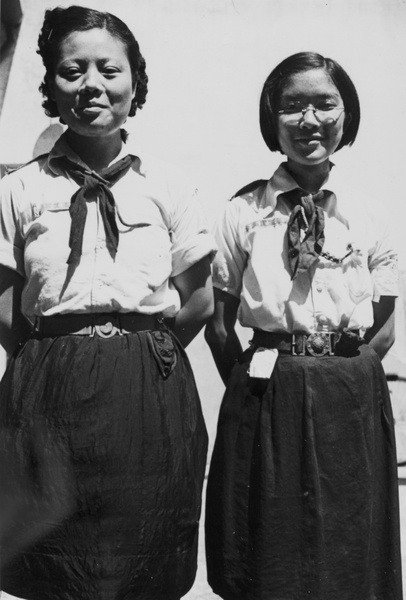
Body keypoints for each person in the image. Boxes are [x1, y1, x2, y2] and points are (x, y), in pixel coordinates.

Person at [0, 6, 215, 600]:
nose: (91, 84)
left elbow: (197, 302)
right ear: (51, 85)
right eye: (72, 70)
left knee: (140, 555)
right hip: (48, 385)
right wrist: (54, 360)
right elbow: (3, 305)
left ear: (134, 83)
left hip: (146, 384)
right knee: (53, 556)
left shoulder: (169, 185)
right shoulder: (17, 189)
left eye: (108, 69)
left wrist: (140, 354)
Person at [204, 52, 402, 600]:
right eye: (292, 106)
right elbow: (218, 327)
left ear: (346, 115)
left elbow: (383, 328)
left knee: (349, 536)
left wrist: (337, 372)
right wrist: (260, 388)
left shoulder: (369, 212)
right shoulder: (241, 211)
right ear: (272, 118)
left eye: (324, 103)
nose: (309, 120)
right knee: (268, 538)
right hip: (268, 387)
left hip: (348, 387)